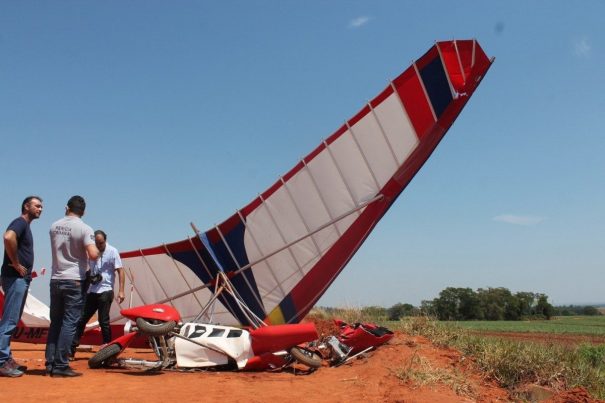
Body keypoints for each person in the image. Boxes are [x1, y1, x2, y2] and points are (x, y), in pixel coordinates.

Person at [45, 195, 99, 377]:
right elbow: (93, 254)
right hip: (74, 280)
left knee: (56, 323)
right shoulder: (84, 228)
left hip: (56, 278)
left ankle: (50, 363)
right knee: (70, 323)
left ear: (66, 207)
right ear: (83, 212)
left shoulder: (54, 226)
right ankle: (61, 365)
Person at [0, 196, 43, 377]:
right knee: (9, 320)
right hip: (15, 278)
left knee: (11, 319)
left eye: (41, 207)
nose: (40, 209)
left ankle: (6, 358)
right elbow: (8, 237)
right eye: (37, 206)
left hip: (19, 279)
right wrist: (16, 264)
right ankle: (2, 362)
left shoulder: (25, 225)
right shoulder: (20, 223)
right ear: (26, 206)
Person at [71, 230, 125, 358]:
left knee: (103, 320)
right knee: (82, 318)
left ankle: (107, 347)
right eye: (96, 243)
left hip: (106, 290)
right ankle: (71, 348)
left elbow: (120, 271)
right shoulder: (91, 251)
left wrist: (121, 291)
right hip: (92, 290)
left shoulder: (112, 251)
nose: (99, 245)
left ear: (105, 240)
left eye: (101, 243)